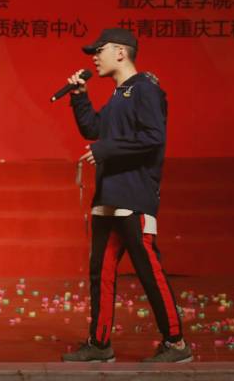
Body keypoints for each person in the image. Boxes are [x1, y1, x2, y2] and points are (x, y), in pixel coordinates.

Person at [60, 29, 192, 364]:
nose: (94, 57)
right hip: (109, 195)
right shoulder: (119, 95)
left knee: (148, 270)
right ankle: (100, 343)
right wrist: (80, 97)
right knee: (101, 272)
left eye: (99, 50)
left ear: (120, 52)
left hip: (134, 196)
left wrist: (105, 150)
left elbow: (153, 137)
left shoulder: (145, 88)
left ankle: (176, 343)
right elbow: (94, 130)